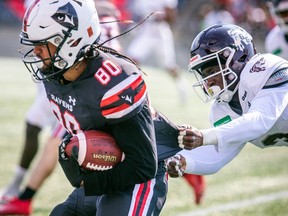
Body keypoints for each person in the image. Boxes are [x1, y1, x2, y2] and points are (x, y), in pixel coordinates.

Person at [16, 0, 182, 215]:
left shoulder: (115, 83)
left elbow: (142, 165)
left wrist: (89, 183)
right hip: (111, 172)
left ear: (70, 42)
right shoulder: (55, 75)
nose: (36, 52)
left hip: (142, 176)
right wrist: (69, 151)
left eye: (43, 44)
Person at [166, 23, 288, 178]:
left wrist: (203, 137)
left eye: (212, 71)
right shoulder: (221, 109)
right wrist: (184, 161)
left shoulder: (264, 67)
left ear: (238, 58)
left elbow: (259, 121)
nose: (207, 81)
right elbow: (217, 156)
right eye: (204, 75)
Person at [126, 0, 188, 104]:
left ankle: (182, 88)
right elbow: (139, 16)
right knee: (131, 60)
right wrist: (136, 25)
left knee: (169, 66)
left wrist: (159, 17)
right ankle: (132, 89)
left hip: (161, 34)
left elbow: (172, 17)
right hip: (146, 32)